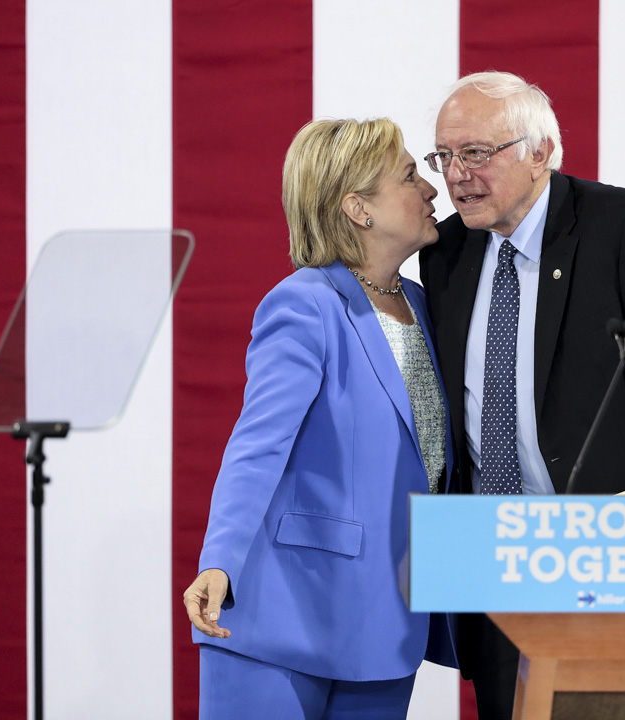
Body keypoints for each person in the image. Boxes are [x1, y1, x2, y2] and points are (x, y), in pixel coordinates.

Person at [418, 71, 625, 719]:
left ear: (540, 152)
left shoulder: (623, 226)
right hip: (494, 561)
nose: (455, 176)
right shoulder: (446, 252)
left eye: (475, 153)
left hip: (612, 556)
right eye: (444, 156)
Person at [182, 117, 455, 719]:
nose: (432, 189)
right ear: (359, 209)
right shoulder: (303, 304)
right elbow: (258, 443)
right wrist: (219, 560)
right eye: (410, 176)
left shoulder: (432, 307)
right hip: (282, 617)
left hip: (390, 619)